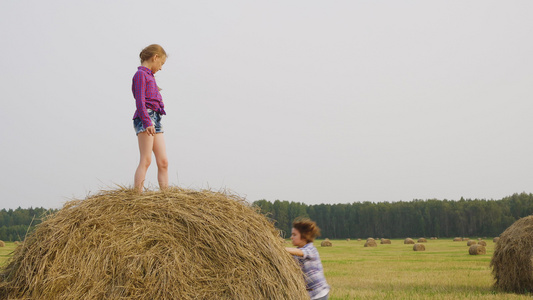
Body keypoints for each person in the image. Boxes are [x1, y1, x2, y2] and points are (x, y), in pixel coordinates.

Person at [132, 44, 169, 193]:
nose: (161, 68)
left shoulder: (149, 76)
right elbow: (139, 101)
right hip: (145, 117)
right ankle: (137, 197)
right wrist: (147, 121)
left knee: (163, 162)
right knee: (146, 160)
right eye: (161, 63)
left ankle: (167, 197)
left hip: (156, 118)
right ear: (155, 58)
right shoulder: (140, 75)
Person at [285, 218, 330, 300]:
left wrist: (278, 249)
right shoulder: (296, 253)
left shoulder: (311, 250)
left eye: (294, 235)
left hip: (319, 293)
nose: (291, 237)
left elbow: (301, 252)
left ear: (304, 236)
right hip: (310, 295)